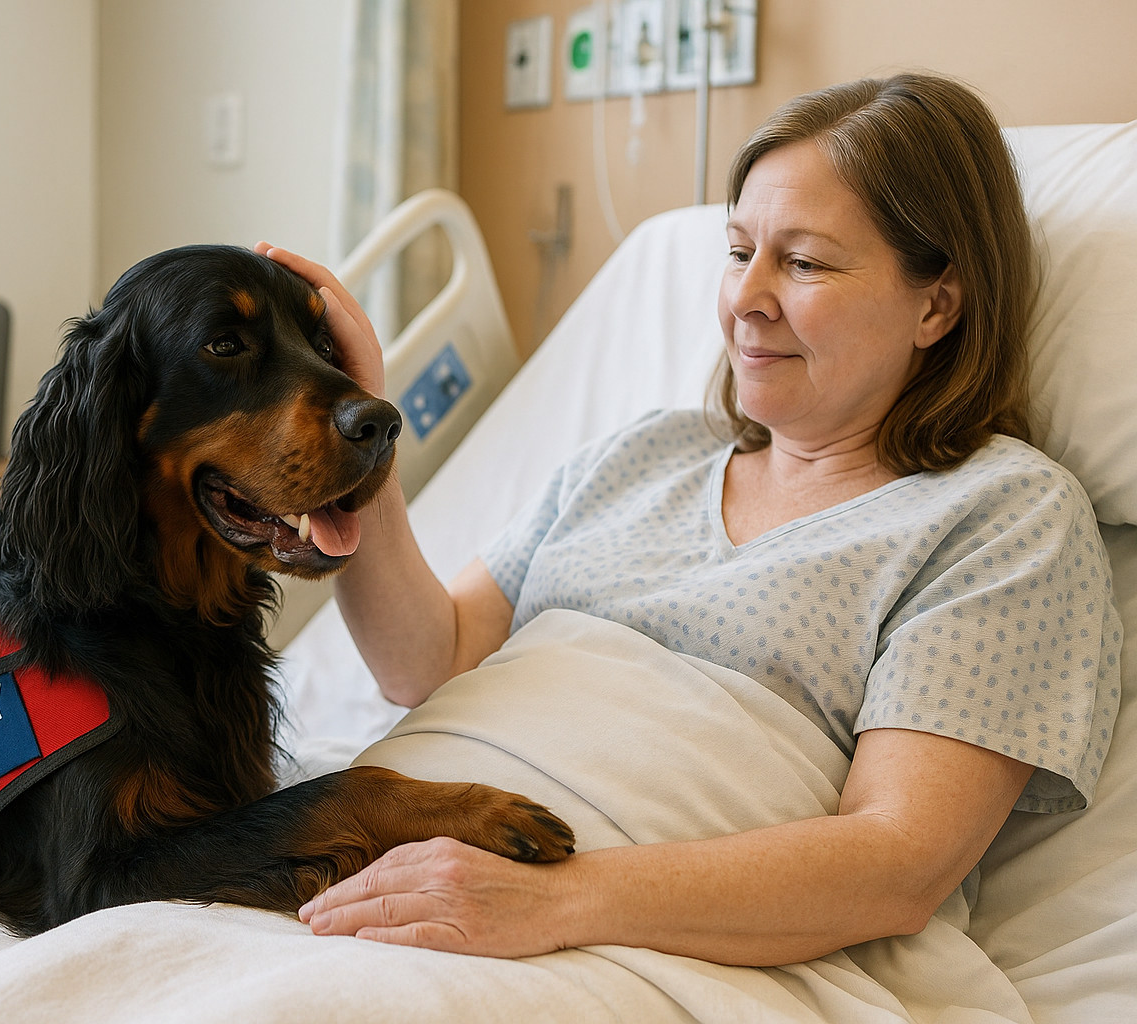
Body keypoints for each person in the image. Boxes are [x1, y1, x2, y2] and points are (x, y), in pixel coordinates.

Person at [259, 72, 1121, 966]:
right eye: (740, 249)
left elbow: (896, 862)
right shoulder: (645, 453)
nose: (746, 297)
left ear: (936, 303)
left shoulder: (1002, 517)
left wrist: (546, 900)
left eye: (805, 261)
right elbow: (428, 660)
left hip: (619, 940)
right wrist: (354, 437)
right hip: (381, 866)